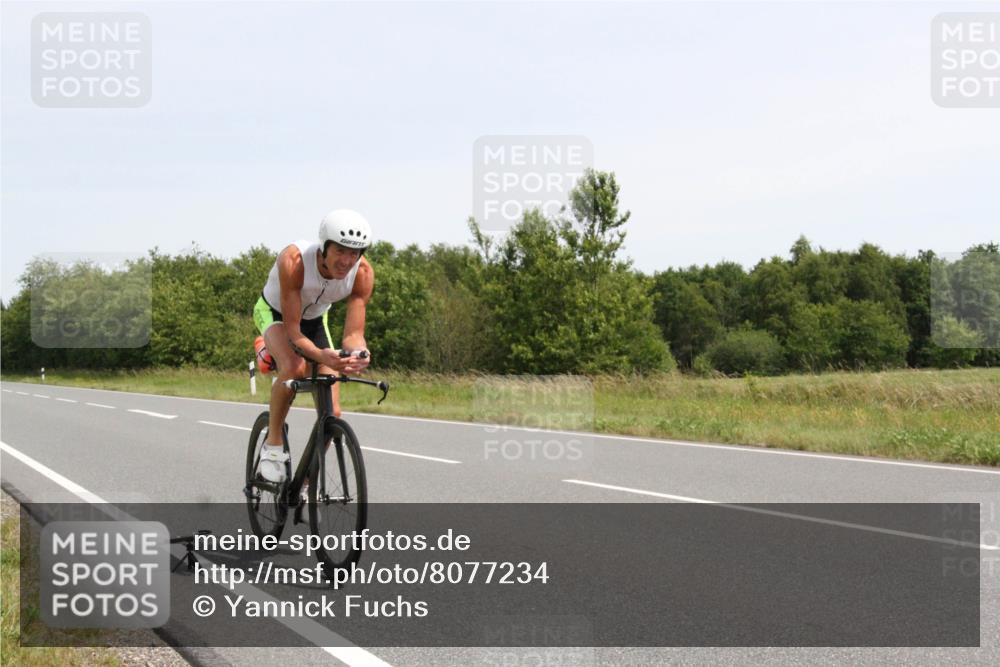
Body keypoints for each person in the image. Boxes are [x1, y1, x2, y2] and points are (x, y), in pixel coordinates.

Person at [251, 209, 374, 483]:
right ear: (324, 246)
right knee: (294, 367)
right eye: (340, 251)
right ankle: (272, 446)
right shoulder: (294, 261)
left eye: (354, 253)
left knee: (333, 413)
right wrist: (321, 355)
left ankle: (305, 485)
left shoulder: (362, 273)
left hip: (316, 320)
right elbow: (294, 333)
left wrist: (358, 354)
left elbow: (354, 334)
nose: (347, 261)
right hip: (277, 314)